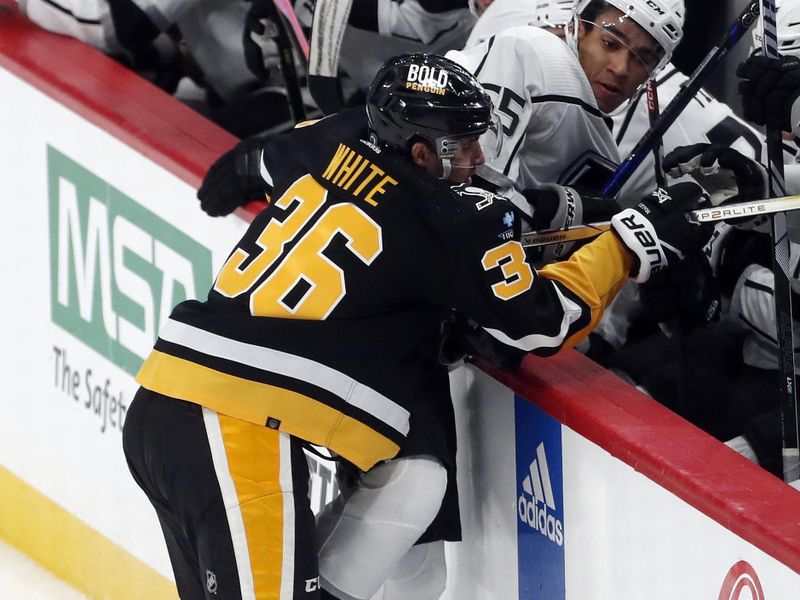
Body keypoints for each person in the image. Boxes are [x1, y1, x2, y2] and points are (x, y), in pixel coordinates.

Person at [123, 52, 709, 600]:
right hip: (230, 427)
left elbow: (268, 161)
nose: (478, 157)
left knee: (413, 499)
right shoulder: (451, 217)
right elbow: (540, 323)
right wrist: (628, 245)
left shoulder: (338, 134)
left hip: (170, 400)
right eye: (462, 144)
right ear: (422, 152)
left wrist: (250, 163)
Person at [442, 0, 685, 265]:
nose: (621, 68)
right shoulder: (532, 51)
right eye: (610, 44)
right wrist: (547, 220)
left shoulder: (605, 145)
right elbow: (468, 195)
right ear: (577, 27)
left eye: (643, 58)